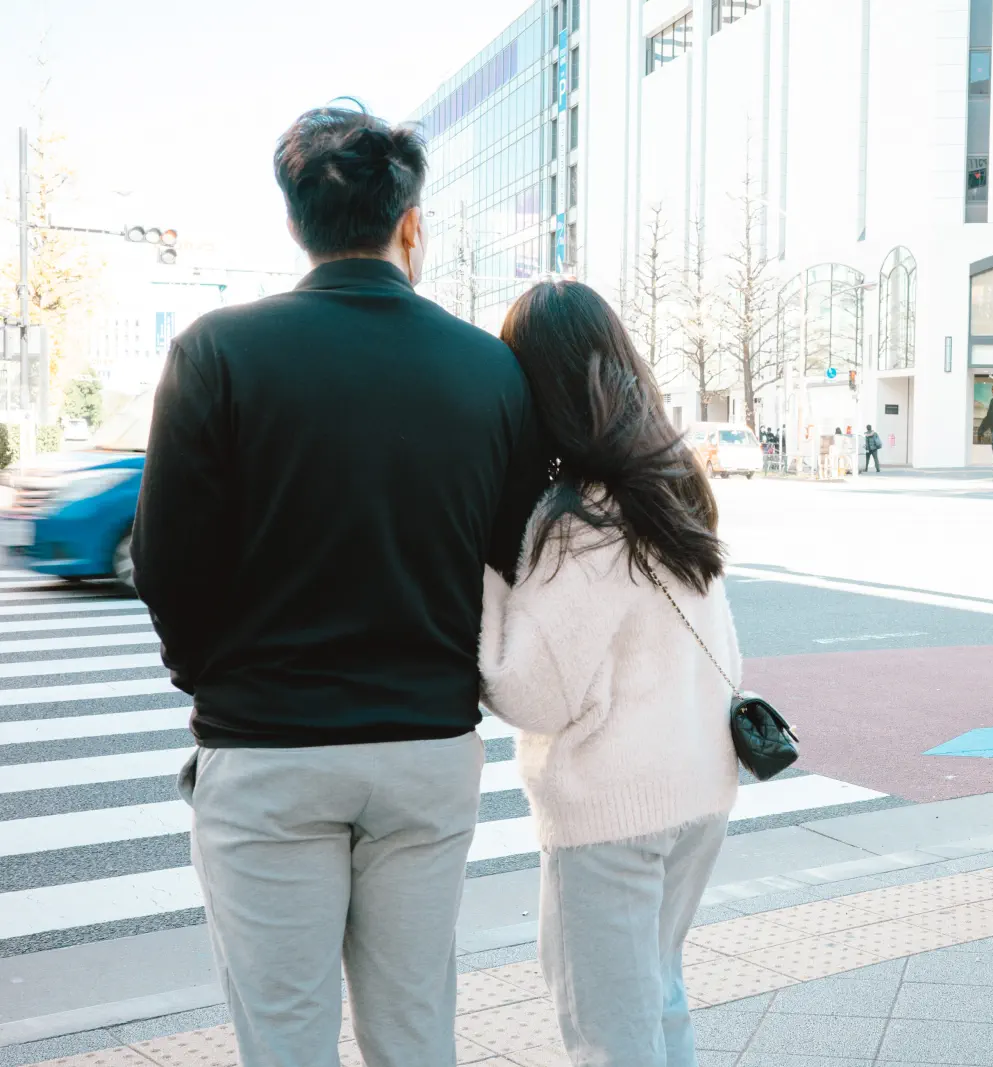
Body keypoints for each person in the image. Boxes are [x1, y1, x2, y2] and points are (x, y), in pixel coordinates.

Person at [132, 107, 540, 1066]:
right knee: (413, 1030)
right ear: (411, 223)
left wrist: (215, 682)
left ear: (293, 225)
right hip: (427, 748)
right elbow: (510, 554)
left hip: (269, 744)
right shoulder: (489, 368)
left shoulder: (217, 351)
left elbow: (167, 563)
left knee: (285, 1038)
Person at [480, 280, 740, 1066]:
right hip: (699, 789)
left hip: (615, 810)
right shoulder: (671, 484)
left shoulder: (582, 519)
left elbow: (531, 691)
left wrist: (485, 578)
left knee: (609, 1035)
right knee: (659, 1003)